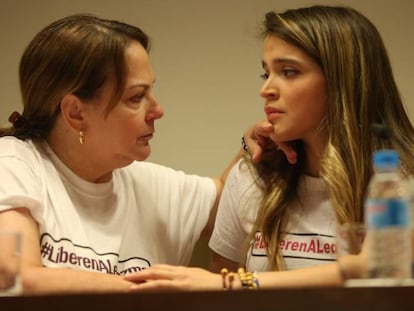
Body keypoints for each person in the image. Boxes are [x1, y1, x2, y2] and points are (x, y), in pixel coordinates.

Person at [124, 5, 414, 291]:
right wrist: (229, 284)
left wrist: (237, 283)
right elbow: (223, 290)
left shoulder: (401, 180)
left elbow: (370, 269)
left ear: (341, 82)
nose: (267, 89)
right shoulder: (251, 175)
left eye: (288, 72)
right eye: (267, 74)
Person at [0, 13, 250, 294]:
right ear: (75, 113)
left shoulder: (148, 184)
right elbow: (13, 277)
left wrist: (251, 147)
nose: (158, 111)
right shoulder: (13, 162)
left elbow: (234, 200)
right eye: (136, 97)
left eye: (150, 92)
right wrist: (155, 291)